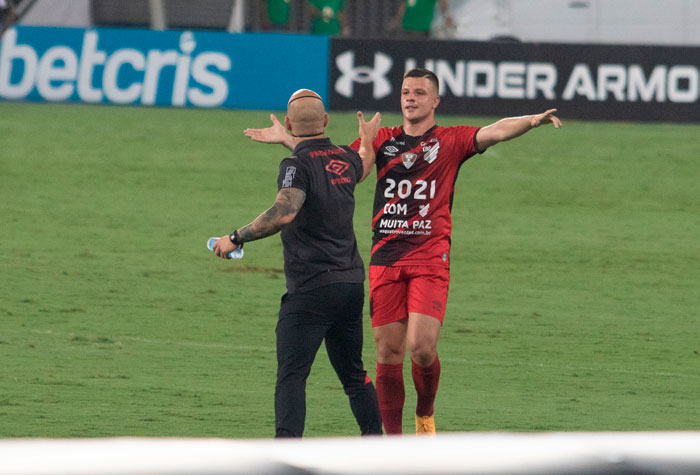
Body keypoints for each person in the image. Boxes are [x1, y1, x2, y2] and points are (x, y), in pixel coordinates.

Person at [243, 69, 562, 435]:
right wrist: (291, 141)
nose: (411, 98)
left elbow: (496, 129)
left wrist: (533, 120)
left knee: (422, 348)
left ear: (435, 100)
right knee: (387, 354)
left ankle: (424, 412)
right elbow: (339, 171)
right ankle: (392, 449)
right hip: (385, 258)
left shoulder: (451, 140)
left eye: (420, 93)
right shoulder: (381, 140)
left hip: (429, 257)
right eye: (406, 91)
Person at [213, 89, 382, 438]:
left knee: (292, 376)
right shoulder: (344, 158)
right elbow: (363, 164)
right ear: (325, 121)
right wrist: (366, 141)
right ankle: (376, 447)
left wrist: (236, 237)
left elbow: (284, 212)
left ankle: (286, 451)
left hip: (311, 290)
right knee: (354, 376)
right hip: (350, 285)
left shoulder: (295, 165)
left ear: (288, 123)